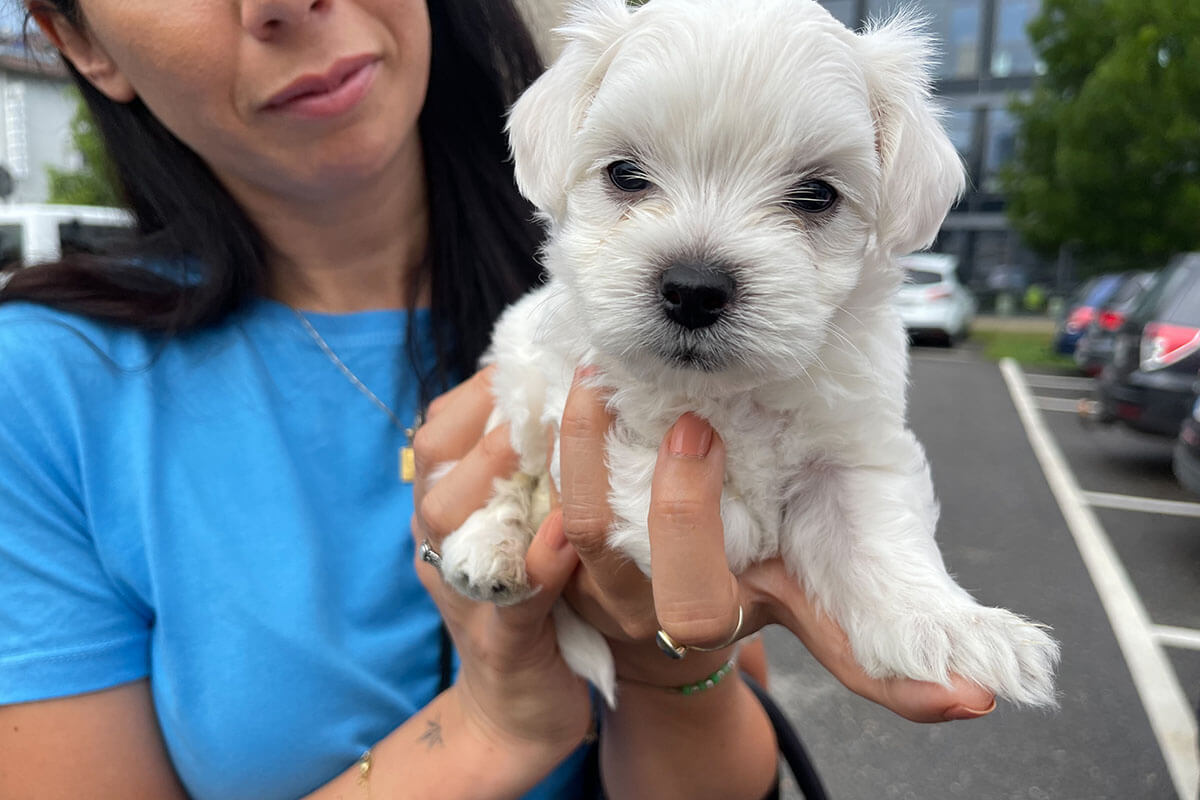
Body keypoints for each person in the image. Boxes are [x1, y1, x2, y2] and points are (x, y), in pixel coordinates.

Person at [0, 1, 999, 798]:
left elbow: (730, 762)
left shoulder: (660, 343)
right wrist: (495, 722)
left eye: (810, 197)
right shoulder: (43, 387)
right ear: (78, 38)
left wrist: (662, 666)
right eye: (632, 177)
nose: (284, 1)